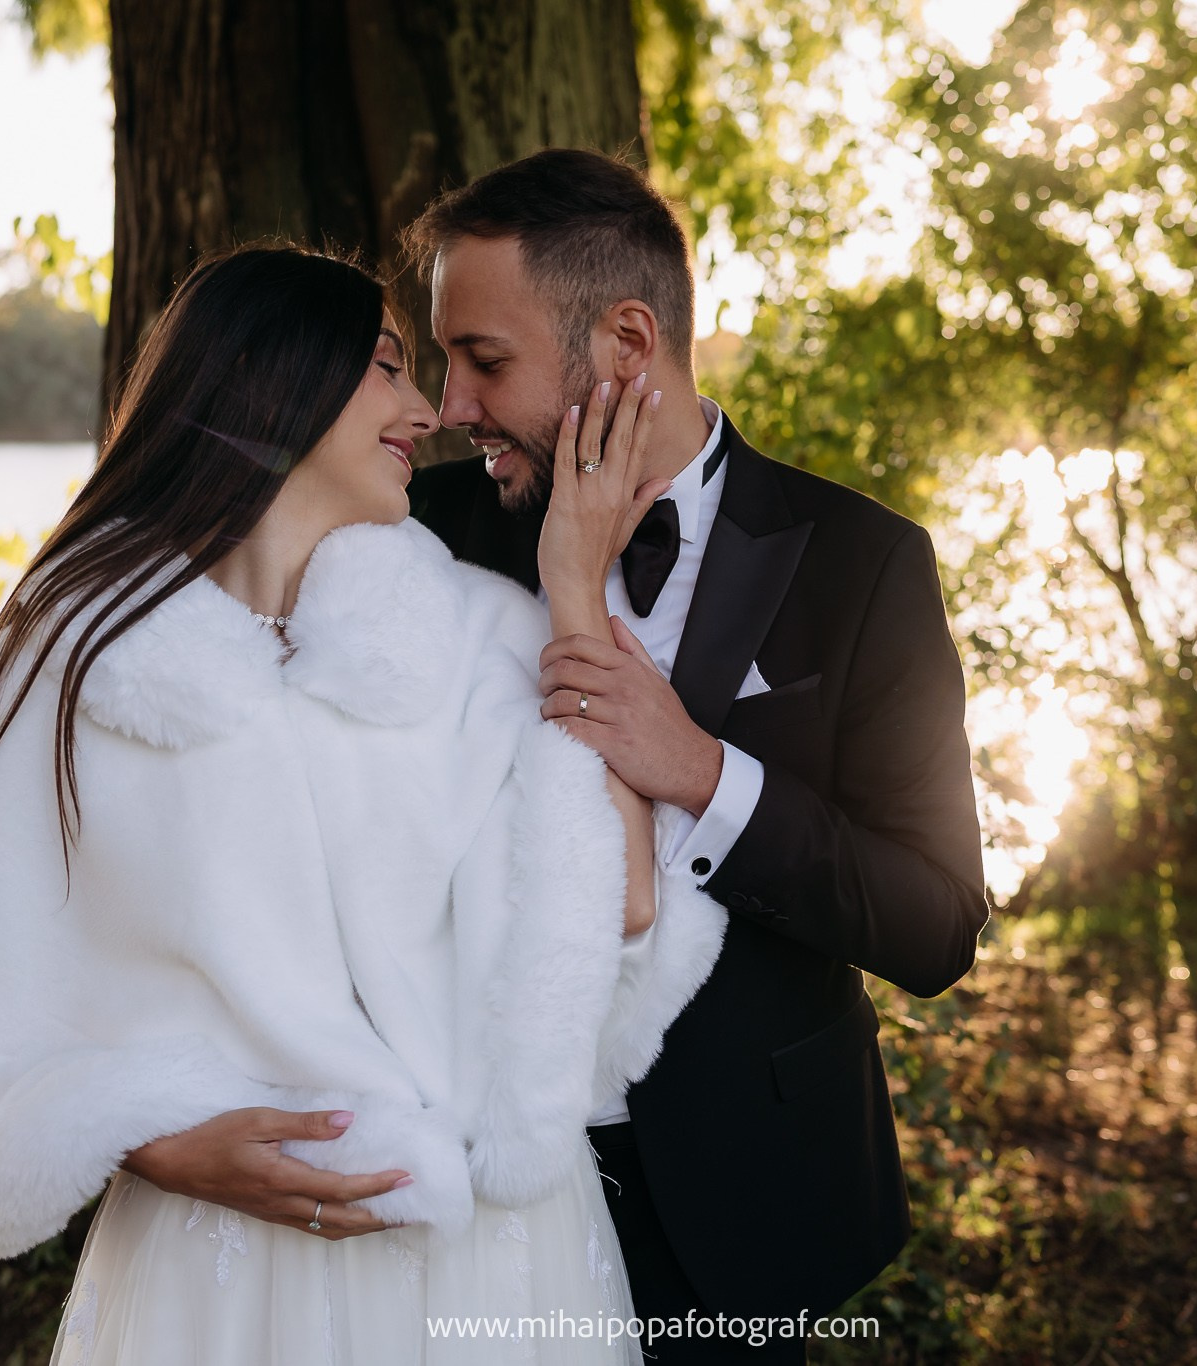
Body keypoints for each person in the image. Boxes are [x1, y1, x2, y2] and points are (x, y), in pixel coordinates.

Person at [0, 245, 726, 1363]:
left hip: (485, 1255)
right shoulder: (54, 678)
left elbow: (618, 905)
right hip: (218, 1264)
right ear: (273, 380)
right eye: (386, 365)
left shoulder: (481, 634)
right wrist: (149, 1138)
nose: (428, 409)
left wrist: (573, 594)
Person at [404, 150, 989, 1361]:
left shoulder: (860, 565)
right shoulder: (425, 535)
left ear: (626, 342)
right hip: (475, 1186)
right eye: (443, 359)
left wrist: (706, 774)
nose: (448, 406)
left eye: (484, 359)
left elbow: (932, 925)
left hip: (746, 1193)